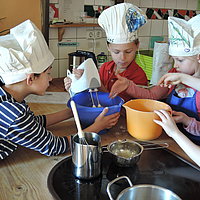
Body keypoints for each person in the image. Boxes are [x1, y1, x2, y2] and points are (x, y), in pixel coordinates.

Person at [0, 20, 119, 160]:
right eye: (48, 73)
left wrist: (72, 112)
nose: (51, 79)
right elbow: (55, 147)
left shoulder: (9, 97)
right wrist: (98, 127)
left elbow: (32, 123)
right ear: (31, 78)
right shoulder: (14, 115)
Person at [108, 14, 200, 144]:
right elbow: (152, 96)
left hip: (194, 148)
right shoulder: (175, 73)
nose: (175, 65)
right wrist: (128, 86)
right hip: (172, 141)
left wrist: (187, 121)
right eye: (173, 59)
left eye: (180, 60)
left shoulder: (181, 77)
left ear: (199, 57)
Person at [64, 3, 148, 102]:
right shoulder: (105, 68)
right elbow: (93, 96)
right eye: (116, 52)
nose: (122, 58)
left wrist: (93, 80)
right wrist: (77, 83)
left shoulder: (139, 76)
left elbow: (118, 105)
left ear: (137, 46)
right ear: (108, 47)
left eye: (128, 51)